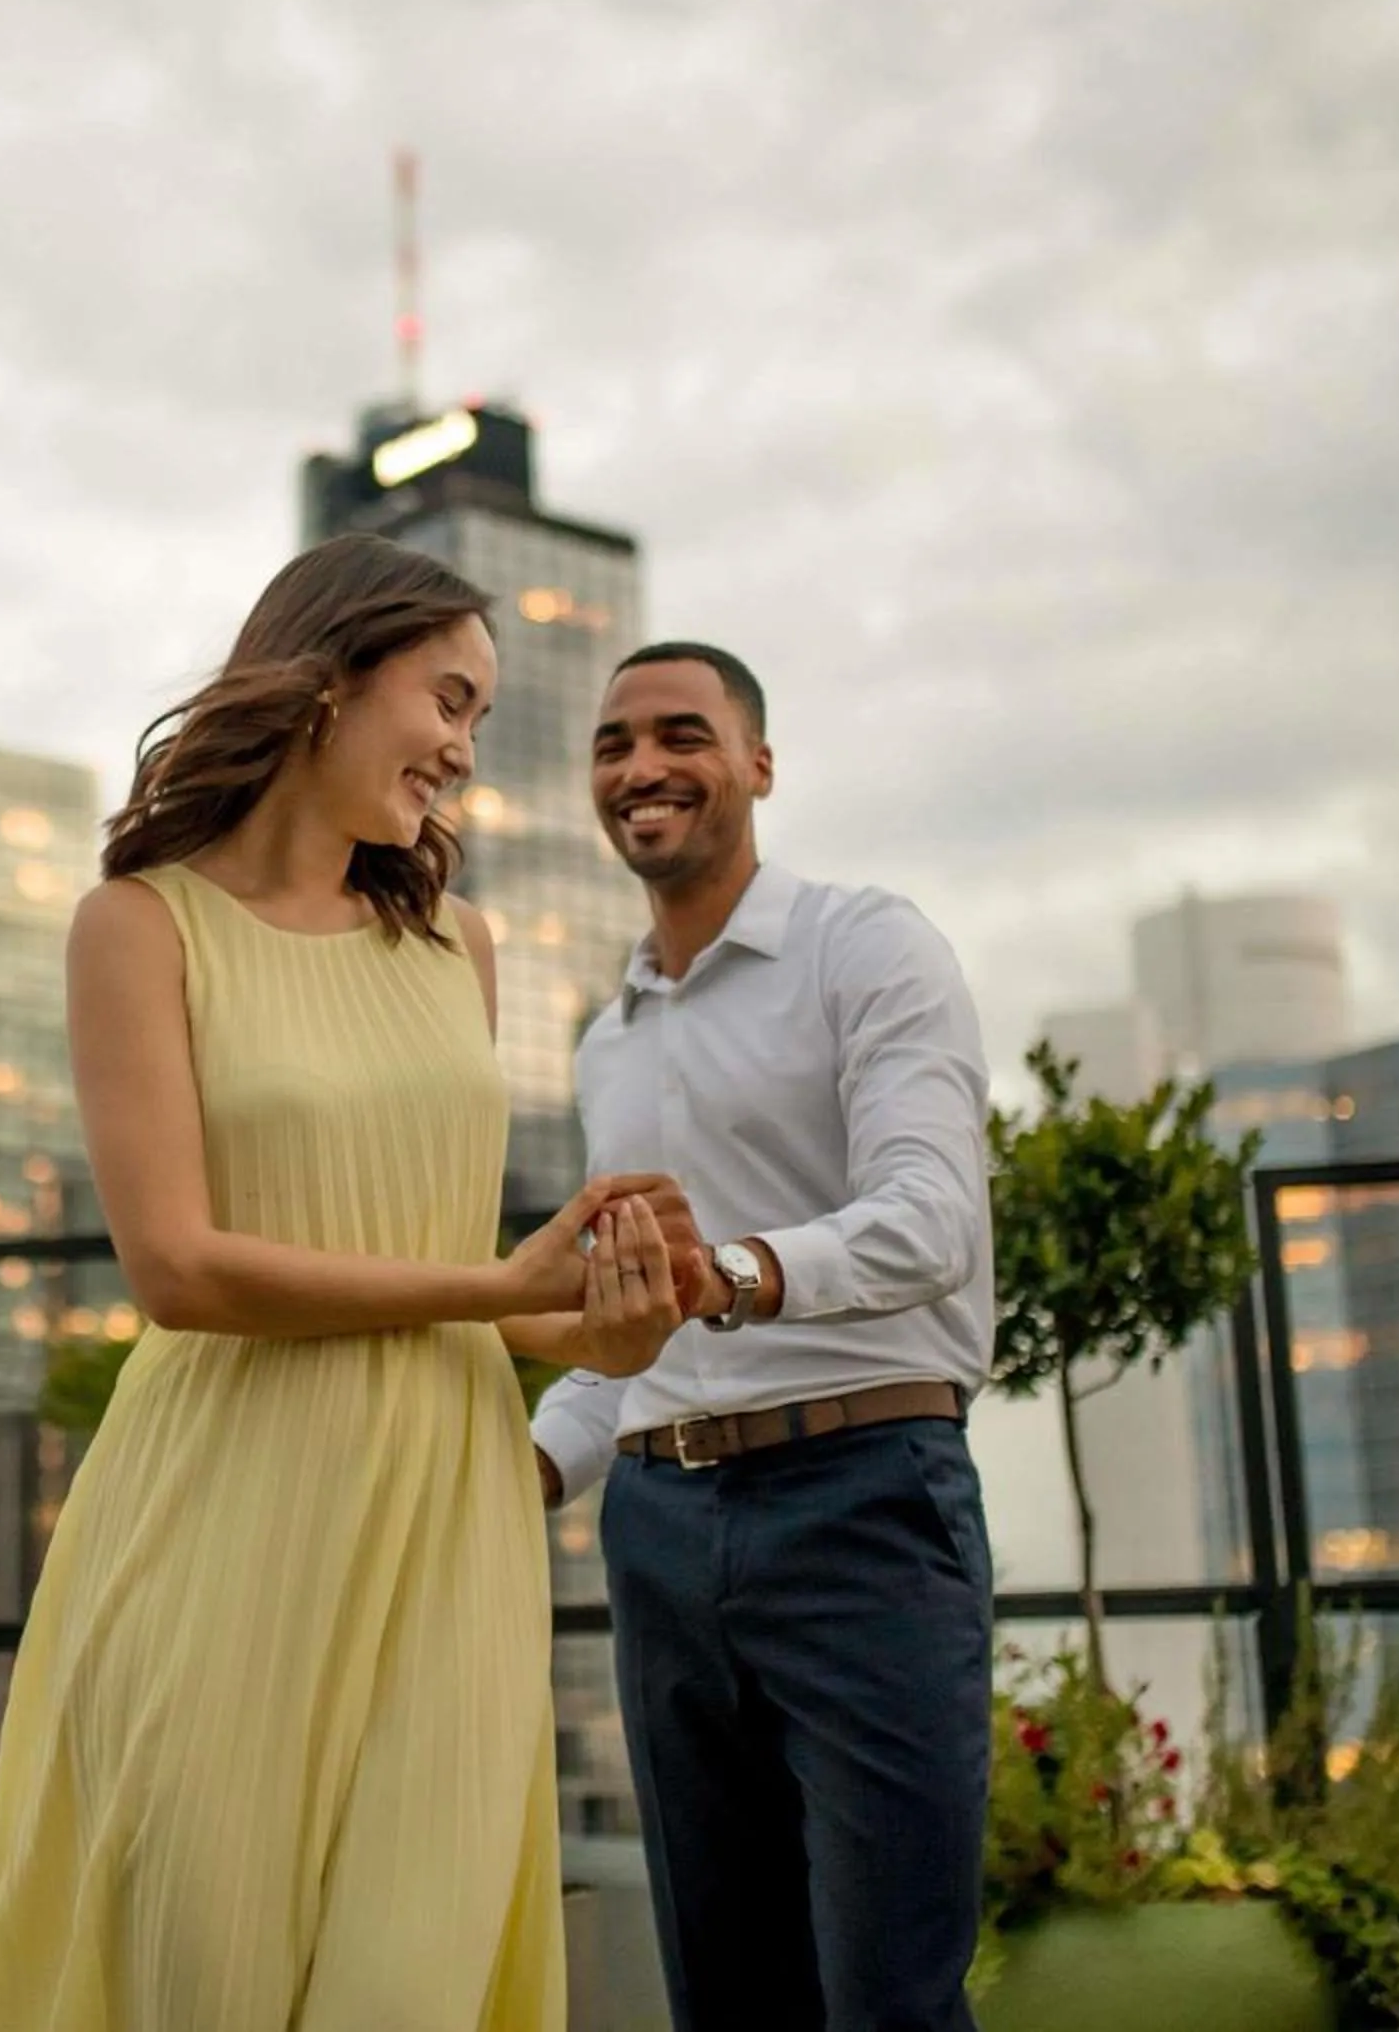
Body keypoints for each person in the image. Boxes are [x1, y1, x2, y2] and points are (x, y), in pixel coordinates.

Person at [0, 537, 686, 2032]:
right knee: (206, 1966)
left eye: (479, 722)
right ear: (333, 676)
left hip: (446, 1516)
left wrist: (601, 1318)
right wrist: (495, 1282)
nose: (463, 754)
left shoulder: (457, 947)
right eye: (449, 700)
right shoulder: (140, 923)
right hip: (227, 1504)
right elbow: (180, 1267)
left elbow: (476, 1293)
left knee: (410, 1977)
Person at [530, 642, 997, 2032]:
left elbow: (931, 1220)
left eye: (683, 733)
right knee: (727, 1998)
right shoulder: (604, 1040)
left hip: (864, 1504)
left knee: (889, 2000)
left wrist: (726, 1272)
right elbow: (631, 1343)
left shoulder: (869, 946)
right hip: (663, 1529)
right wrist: (522, 1469)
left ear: (759, 764)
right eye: (614, 744)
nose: (642, 767)